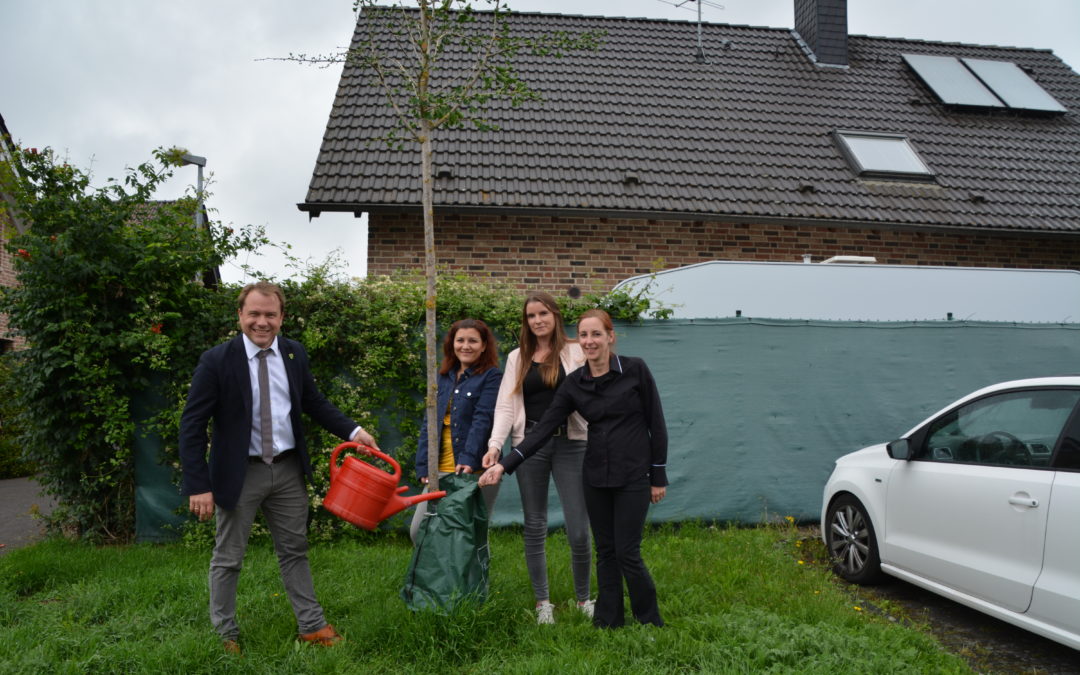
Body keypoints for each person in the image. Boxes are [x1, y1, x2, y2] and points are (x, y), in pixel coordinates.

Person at [179, 281, 379, 654]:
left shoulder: (293, 353)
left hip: (287, 470)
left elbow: (313, 402)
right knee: (228, 557)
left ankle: (312, 626)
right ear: (240, 315)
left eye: (270, 314)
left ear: (282, 317)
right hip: (239, 474)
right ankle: (225, 634)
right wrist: (198, 484)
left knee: (294, 550)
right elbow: (192, 424)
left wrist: (354, 431)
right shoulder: (216, 361)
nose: (262, 322)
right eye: (254, 313)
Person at [480, 309, 668, 629]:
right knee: (605, 551)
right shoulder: (574, 383)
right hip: (595, 476)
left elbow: (657, 424)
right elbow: (541, 430)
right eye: (583, 335)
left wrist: (658, 476)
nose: (590, 341)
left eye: (596, 334)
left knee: (627, 552)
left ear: (610, 336)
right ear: (577, 340)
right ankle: (608, 621)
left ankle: (649, 620)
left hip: (633, 474)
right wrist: (504, 465)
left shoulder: (635, 369)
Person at [482, 291, 592, 624]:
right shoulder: (518, 357)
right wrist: (495, 445)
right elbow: (505, 405)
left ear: (555, 315)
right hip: (529, 445)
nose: (537, 320)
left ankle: (584, 599)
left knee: (579, 529)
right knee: (534, 525)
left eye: (543, 313)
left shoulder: (576, 351)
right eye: (531, 316)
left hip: (572, 443)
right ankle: (543, 603)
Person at [410, 318, 502, 541]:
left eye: (473, 341)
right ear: (452, 344)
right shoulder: (442, 376)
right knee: (419, 531)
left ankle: (476, 567)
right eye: (460, 340)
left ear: (483, 345)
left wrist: (469, 459)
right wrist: (423, 465)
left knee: (469, 537)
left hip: (474, 469)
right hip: (439, 469)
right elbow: (429, 422)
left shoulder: (492, 376)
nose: (465, 346)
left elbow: (483, 419)